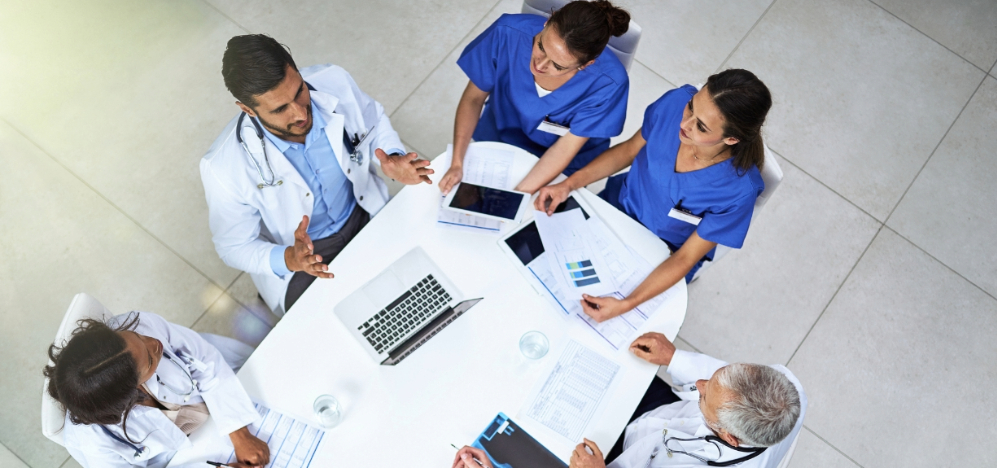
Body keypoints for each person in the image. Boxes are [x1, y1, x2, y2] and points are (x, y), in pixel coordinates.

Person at [201, 34, 433, 314]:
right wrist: (288, 258)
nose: (300, 113)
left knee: (420, 281)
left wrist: (392, 155)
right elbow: (234, 246)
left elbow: (374, 118)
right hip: (304, 256)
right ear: (248, 109)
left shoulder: (334, 80)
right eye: (280, 109)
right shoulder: (223, 167)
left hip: (363, 212)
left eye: (299, 91)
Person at [535, 69, 771, 322]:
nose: (684, 124)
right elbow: (627, 151)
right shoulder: (673, 104)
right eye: (691, 108)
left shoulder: (738, 190)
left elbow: (685, 258)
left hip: (662, 254)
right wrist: (569, 184)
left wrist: (627, 304)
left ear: (732, 139)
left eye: (701, 127)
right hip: (617, 208)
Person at [451, 332, 804, 468]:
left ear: (729, 436)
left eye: (705, 394)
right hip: (657, 417)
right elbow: (720, 378)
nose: (698, 382)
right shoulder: (786, 387)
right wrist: (673, 358)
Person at [439, 0, 631, 196]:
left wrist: (514, 198)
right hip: (502, 131)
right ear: (547, 23)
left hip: (565, 159)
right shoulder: (507, 32)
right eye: (541, 46)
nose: (540, 65)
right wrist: (456, 163)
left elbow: (565, 149)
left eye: (558, 65)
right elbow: (473, 99)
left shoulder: (609, 84)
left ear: (586, 65)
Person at [44, 311, 269, 467]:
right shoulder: (93, 441)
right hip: (186, 456)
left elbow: (206, 361)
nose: (154, 343)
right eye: (151, 361)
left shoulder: (139, 322)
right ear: (128, 393)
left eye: (138, 337)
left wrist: (239, 433)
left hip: (224, 399)